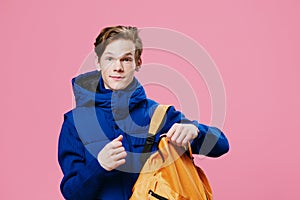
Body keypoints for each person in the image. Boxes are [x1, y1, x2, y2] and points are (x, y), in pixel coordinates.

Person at [58, 25, 229, 200]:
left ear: (137, 63)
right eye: (110, 59)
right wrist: (99, 165)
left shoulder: (157, 115)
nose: (118, 67)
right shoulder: (75, 122)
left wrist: (195, 131)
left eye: (126, 59)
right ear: (98, 62)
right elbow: (71, 193)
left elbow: (222, 144)